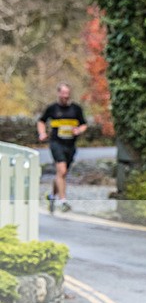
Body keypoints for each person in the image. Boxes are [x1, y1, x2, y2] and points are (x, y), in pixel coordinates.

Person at [37, 83, 87, 213]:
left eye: (67, 93)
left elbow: (84, 124)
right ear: (59, 93)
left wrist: (79, 130)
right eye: (63, 93)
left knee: (61, 174)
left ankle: (52, 196)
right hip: (56, 143)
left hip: (70, 145)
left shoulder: (76, 109)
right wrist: (42, 133)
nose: (65, 96)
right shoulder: (52, 108)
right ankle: (63, 201)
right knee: (62, 171)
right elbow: (41, 121)